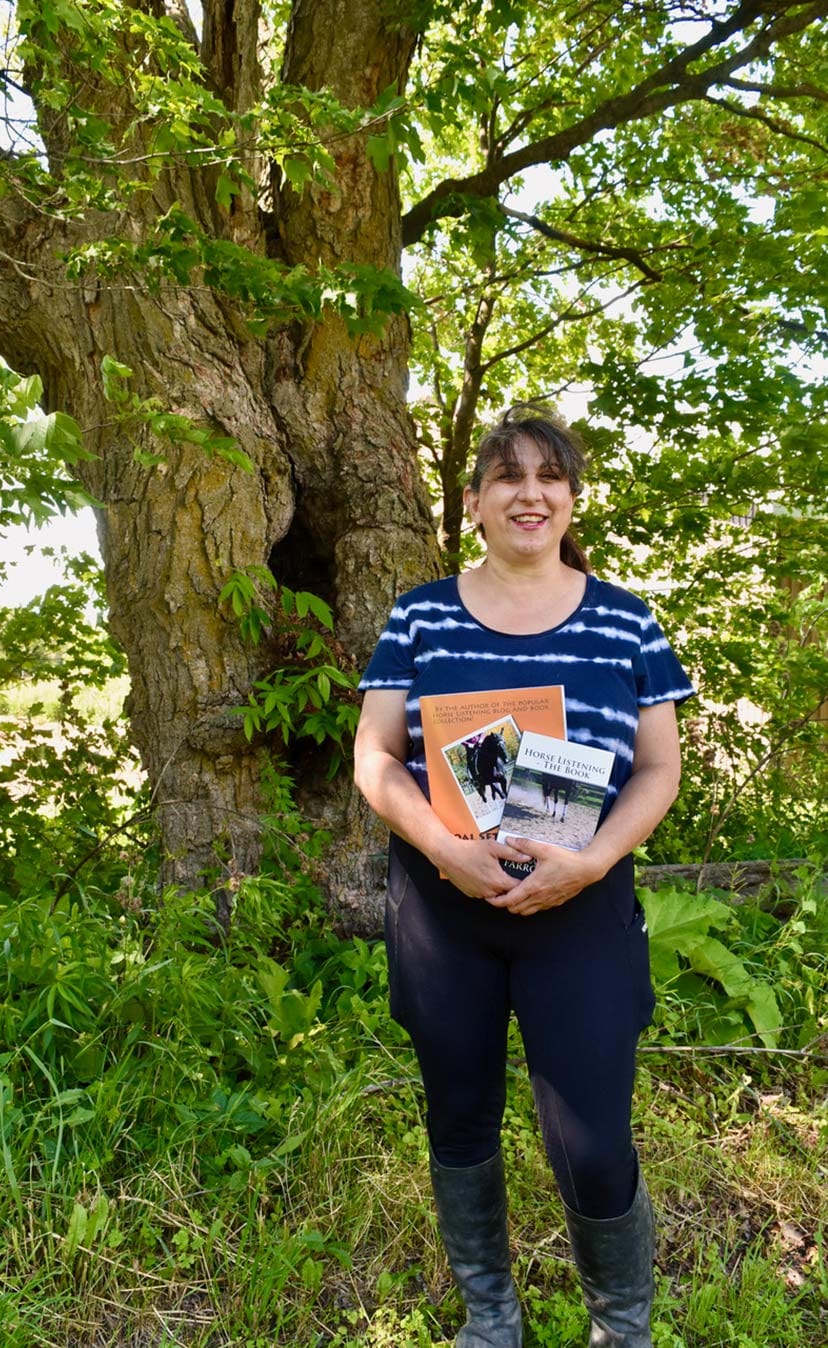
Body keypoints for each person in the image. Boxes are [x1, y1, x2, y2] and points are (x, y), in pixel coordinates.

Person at [353, 405, 695, 1348]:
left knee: (591, 1140)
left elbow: (660, 769)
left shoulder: (627, 622)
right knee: (459, 1115)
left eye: (549, 477)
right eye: (508, 477)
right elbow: (375, 758)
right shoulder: (419, 613)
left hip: (581, 904)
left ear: (572, 499)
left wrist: (590, 861)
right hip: (443, 905)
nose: (530, 494)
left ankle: (621, 1327)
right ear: (475, 503)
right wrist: (444, 848)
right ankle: (490, 1316)